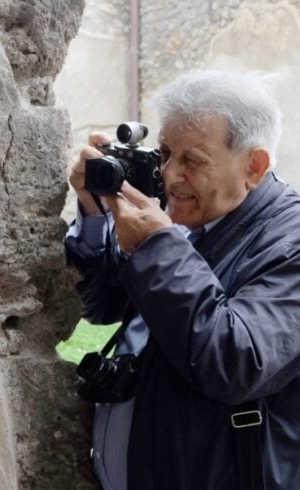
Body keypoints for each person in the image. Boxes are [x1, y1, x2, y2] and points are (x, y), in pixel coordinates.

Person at [65, 70, 300, 489]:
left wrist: (157, 247)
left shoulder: (290, 240)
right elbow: (103, 308)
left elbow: (235, 361)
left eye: (193, 160)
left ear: (254, 165)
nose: (171, 177)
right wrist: (98, 216)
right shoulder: (196, 218)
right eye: (165, 154)